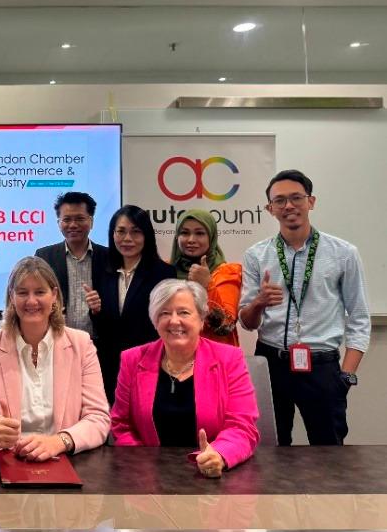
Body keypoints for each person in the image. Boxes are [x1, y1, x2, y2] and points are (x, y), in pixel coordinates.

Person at [239, 169, 370, 446]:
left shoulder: (343, 253)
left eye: (296, 198)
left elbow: (359, 317)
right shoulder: (256, 255)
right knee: (269, 448)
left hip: (322, 366)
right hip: (270, 362)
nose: (288, 206)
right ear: (269, 208)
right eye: (279, 201)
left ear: (311, 202)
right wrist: (259, 303)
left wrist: (345, 376)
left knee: (328, 453)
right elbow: (247, 322)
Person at [111, 279, 259, 477]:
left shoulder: (229, 358)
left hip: (213, 477)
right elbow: (122, 424)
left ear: (201, 319)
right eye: (164, 313)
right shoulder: (132, 359)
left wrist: (220, 454)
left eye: (184, 312)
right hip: (147, 480)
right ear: (155, 321)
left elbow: (242, 425)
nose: (174, 321)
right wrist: (142, 463)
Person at [0, 257, 110, 460]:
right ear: (12, 297)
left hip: (65, 458)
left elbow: (98, 418)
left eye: (40, 292)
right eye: (22, 292)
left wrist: (59, 442)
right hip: (9, 459)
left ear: (54, 296)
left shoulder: (81, 344)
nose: (31, 301)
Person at [93, 204, 176, 403]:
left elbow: (165, 324)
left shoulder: (164, 273)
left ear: (146, 236)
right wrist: (96, 311)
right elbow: (105, 327)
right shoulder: (103, 271)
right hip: (109, 367)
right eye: (121, 231)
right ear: (112, 234)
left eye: (135, 232)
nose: (127, 239)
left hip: (148, 364)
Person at [35, 191, 109, 338]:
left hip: (99, 344)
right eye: (67, 219)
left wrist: (100, 309)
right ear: (59, 223)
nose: (73, 225)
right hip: (57, 341)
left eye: (80, 219)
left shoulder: (109, 257)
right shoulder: (44, 257)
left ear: (91, 221)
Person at [170, 209, 241, 346]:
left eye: (200, 233)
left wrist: (206, 285)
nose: (191, 240)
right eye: (184, 233)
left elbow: (225, 327)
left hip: (215, 359)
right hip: (176, 357)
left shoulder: (226, 272)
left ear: (211, 237)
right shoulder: (166, 270)